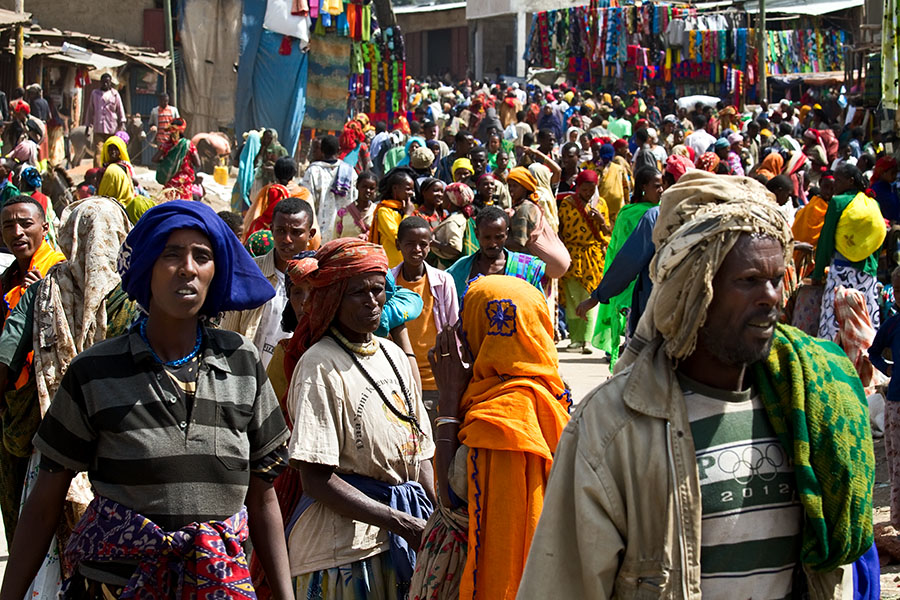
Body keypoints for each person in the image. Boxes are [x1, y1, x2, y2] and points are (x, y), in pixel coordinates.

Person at [519, 174, 875, 599]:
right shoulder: (615, 424)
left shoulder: (809, 397)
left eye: (777, 279)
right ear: (695, 290)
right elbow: (564, 584)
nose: (772, 297)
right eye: (748, 281)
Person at [0, 200, 294, 600]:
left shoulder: (242, 362)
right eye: (170, 254)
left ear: (216, 273)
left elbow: (262, 496)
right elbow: (45, 499)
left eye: (202, 256)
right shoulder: (94, 371)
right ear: (146, 269)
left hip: (217, 587)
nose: (188, 268)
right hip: (114, 589)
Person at [0, 196, 137, 598]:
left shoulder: (42, 293)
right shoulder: (135, 302)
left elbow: (5, 360)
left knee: (45, 540)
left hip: (53, 447)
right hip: (122, 453)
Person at [284, 238, 435, 598]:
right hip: (343, 550)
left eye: (378, 290)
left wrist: (439, 517)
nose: (371, 301)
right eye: (358, 293)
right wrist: (400, 522)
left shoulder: (393, 356)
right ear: (333, 298)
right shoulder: (319, 365)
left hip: (404, 533)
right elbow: (315, 480)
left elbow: (422, 455)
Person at [410, 275, 570, 600]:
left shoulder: (501, 414)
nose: (458, 331)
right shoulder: (554, 397)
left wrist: (449, 397)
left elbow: (452, 499)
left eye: (465, 319)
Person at [0, 195, 66, 544]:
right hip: (14, 406)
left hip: (42, 407)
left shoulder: (55, 272)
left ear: (44, 226)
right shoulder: (12, 276)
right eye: (8, 225)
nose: (17, 232)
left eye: (25, 223)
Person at [222, 196, 314, 368]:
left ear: (311, 234)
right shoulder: (248, 274)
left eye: (296, 232)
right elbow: (228, 333)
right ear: (271, 230)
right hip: (249, 375)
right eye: (280, 231)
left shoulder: (319, 279)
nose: (287, 239)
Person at [587, 166, 664, 365]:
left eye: (662, 185)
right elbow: (622, 252)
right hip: (632, 284)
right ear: (643, 187)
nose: (661, 190)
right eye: (656, 186)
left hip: (648, 287)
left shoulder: (665, 213)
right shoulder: (633, 214)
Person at [392, 217, 459, 421]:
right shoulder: (388, 282)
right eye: (410, 244)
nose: (417, 250)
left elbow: (454, 328)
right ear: (398, 245)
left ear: (430, 246)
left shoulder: (442, 281)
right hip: (398, 377)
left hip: (434, 379)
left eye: (423, 244)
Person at [813, 164, 885, 341]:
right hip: (867, 276)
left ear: (850, 181)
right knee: (863, 322)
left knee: (834, 321)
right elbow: (878, 237)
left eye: (838, 180)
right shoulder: (872, 203)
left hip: (841, 274)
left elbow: (826, 240)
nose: (835, 184)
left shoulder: (838, 202)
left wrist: (818, 272)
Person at [558, 170, 611, 354]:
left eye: (592, 189)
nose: (588, 193)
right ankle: (575, 339)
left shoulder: (601, 204)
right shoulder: (567, 204)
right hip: (572, 255)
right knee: (573, 298)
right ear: (578, 187)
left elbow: (606, 232)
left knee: (590, 296)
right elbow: (562, 229)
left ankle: (587, 340)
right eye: (585, 189)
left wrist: (601, 221)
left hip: (593, 256)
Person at [446, 206, 545, 302]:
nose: (493, 244)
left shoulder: (526, 268)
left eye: (498, 237)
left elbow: (539, 307)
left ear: (506, 234)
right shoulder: (462, 269)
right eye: (487, 237)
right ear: (477, 234)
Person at [506, 166, 571, 280]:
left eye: (515, 186)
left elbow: (519, 243)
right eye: (510, 186)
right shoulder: (529, 204)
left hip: (550, 263)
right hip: (555, 261)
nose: (511, 189)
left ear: (525, 188)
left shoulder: (524, 209)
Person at [301, 135, 357, 243]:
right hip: (344, 232)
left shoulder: (313, 172)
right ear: (339, 150)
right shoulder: (350, 171)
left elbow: (306, 201)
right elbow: (355, 198)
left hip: (319, 232)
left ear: (321, 150)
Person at [370, 167, 419, 268]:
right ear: (395, 188)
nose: (411, 193)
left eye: (412, 190)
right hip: (392, 267)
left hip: (409, 266)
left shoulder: (410, 208)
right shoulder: (384, 211)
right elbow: (398, 240)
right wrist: (407, 215)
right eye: (408, 189)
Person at [431, 182, 479, 268]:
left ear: (451, 200)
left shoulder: (453, 222)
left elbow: (455, 248)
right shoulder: (464, 216)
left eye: (445, 196)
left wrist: (433, 243)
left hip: (450, 268)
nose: (442, 198)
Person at [84, 74, 125, 168]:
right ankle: (97, 172)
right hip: (99, 128)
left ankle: (110, 170)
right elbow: (90, 110)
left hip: (112, 129)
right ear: (100, 82)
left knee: (112, 152)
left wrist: (122, 124)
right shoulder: (95, 94)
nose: (105, 84)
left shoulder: (115, 94)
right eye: (104, 82)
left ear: (110, 83)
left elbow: (120, 110)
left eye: (108, 82)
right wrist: (88, 126)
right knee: (99, 151)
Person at [152, 118, 200, 200]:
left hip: (170, 185)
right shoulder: (188, 145)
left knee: (170, 207)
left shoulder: (166, 145)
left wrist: (166, 163)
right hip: (184, 185)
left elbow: (154, 159)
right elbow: (198, 164)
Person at [335, 171, 378, 240]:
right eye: (364, 186)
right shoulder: (343, 213)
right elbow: (336, 237)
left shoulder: (377, 212)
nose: (368, 190)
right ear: (357, 186)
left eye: (371, 188)